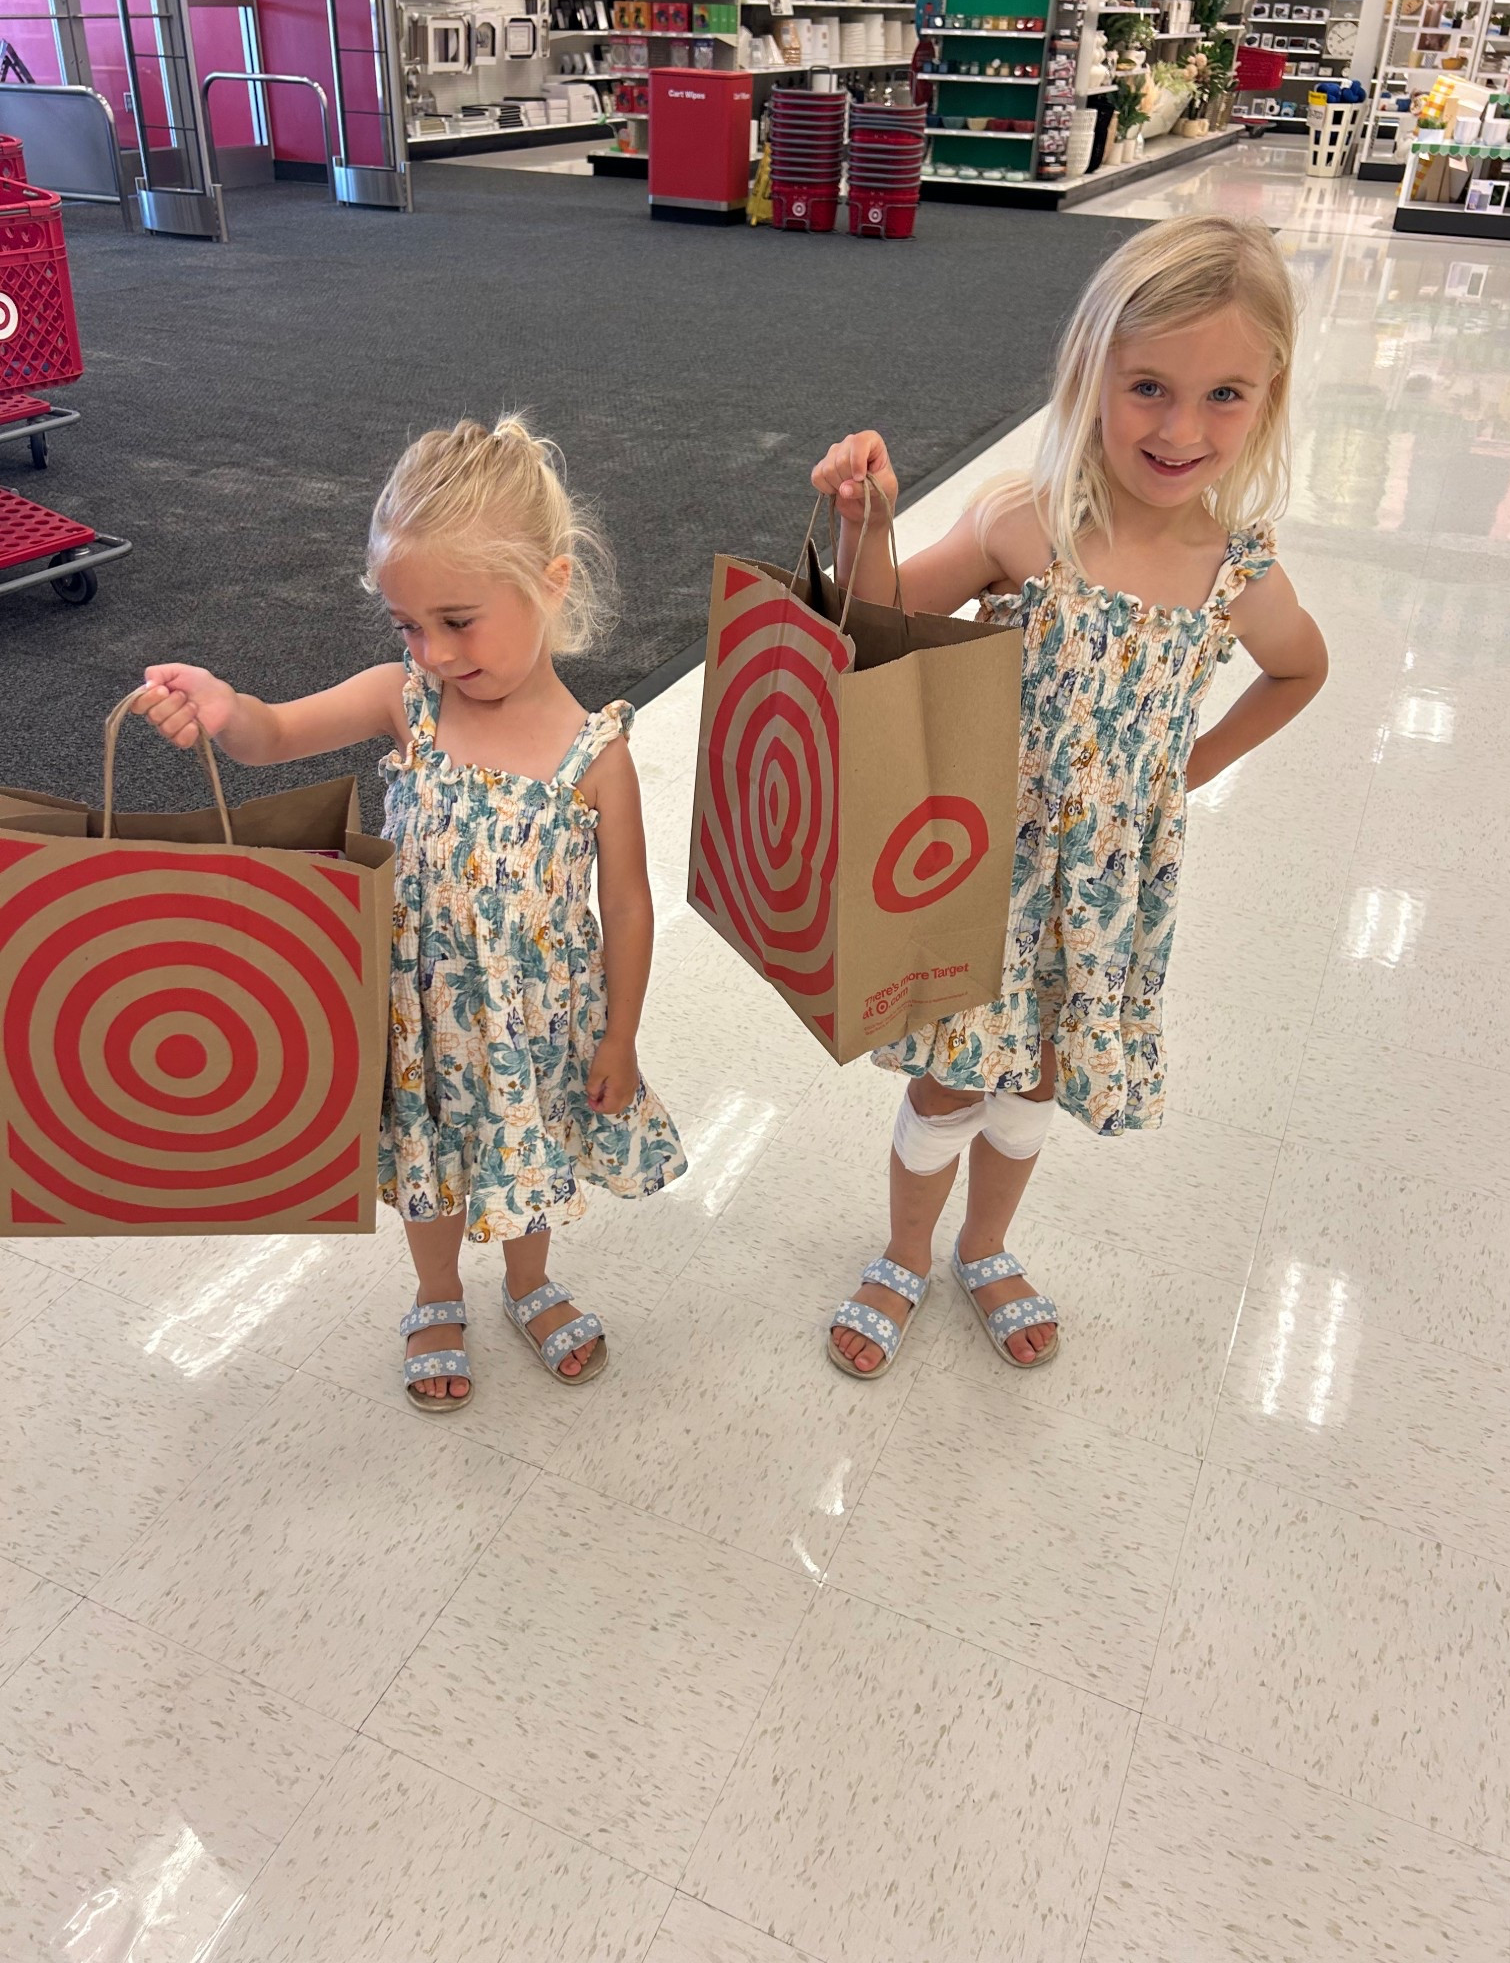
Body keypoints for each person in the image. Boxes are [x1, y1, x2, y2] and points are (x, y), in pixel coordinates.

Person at [810, 214, 1327, 1380]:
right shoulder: (1026, 520)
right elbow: (872, 622)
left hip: (1101, 899)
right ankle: (904, 1251)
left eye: (1225, 395)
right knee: (952, 1073)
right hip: (981, 871)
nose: (1181, 428)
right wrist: (868, 527)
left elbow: (1303, 668)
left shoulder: (1234, 570)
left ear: (1270, 396)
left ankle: (987, 1248)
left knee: (1036, 1071)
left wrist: (1184, 772)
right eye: (1148, 386)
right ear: (1092, 372)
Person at [136, 415, 685, 1412]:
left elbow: (631, 901)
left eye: (456, 620)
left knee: (523, 1153)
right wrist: (224, 705)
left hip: (533, 1021)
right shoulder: (407, 704)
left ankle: (529, 1280)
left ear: (550, 583)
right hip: (421, 1016)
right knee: (430, 1161)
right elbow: (274, 734)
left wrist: (623, 1033)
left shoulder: (595, 752)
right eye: (407, 624)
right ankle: (437, 1292)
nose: (428, 649)